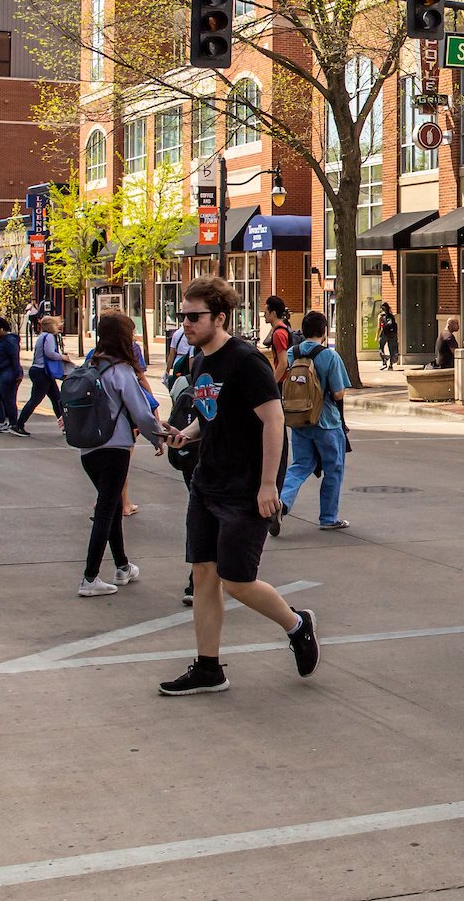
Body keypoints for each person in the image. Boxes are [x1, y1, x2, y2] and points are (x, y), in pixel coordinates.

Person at [156, 274, 320, 696]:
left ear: (220, 317)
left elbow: (273, 420)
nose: (186, 324)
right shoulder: (201, 361)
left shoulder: (246, 361)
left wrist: (269, 485)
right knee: (204, 574)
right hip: (207, 482)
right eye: (182, 316)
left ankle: (297, 624)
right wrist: (185, 434)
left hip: (245, 488)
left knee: (237, 580)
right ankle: (209, 668)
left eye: (195, 317)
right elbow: (209, 416)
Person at [75, 311, 164, 597]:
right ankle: (90, 578)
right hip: (115, 448)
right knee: (105, 510)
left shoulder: (92, 365)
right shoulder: (121, 371)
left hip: (88, 447)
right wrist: (157, 438)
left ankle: (123, 566)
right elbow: (141, 412)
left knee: (111, 507)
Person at [279, 309, 352, 531]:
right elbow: (338, 393)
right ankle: (328, 517)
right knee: (333, 468)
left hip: (299, 417)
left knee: (300, 464)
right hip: (326, 421)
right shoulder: (330, 356)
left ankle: (281, 503)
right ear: (323, 331)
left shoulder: (292, 353)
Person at [13, 315, 67, 434]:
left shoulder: (42, 336)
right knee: (36, 399)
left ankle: (65, 426)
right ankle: (19, 424)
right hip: (42, 371)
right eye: (55, 324)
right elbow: (49, 353)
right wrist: (63, 357)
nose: (57, 327)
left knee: (56, 398)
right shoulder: (49, 337)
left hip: (40, 371)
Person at [0, 314, 24, 434]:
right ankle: (0, 422)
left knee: (9, 399)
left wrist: (18, 374)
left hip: (8, 373)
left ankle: (13, 423)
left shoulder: (9, 341)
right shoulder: (2, 340)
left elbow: (15, 358)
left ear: (2, 328)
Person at [262, 295, 293, 382]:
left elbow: (283, 363)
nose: (264, 315)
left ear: (273, 313)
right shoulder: (283, 328)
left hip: (281, 381)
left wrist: (273, 384)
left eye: (266, 312)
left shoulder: (278, 334)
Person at [376, 302, 399, 371]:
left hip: (384, 334)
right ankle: (391, 365)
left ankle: (384, 361)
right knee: (391, 349)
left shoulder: (380, 316)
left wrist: (376, 336)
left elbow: (379, 327)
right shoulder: (392, 316)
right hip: (392, 334)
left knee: (380, 348)